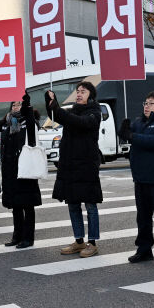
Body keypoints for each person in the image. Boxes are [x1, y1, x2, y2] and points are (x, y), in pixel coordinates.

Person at [0, 92, 42, 249]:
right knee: (16, 205)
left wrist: (26, 103)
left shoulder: (29, 122)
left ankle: (28, 238)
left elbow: (31, 121)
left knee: (27, 205)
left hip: (26, 170)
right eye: (14, 104)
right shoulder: (6, 124)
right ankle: (17, 236)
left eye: (19, 104)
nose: (16, 106)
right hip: (10, 171)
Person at [118, 91, 154, 267]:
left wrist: (133, 136)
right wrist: (124, 130)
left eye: (151, 103)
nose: (147, 106)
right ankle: (144, 250)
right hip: (141, 178)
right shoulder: (139, 122)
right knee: (142, 217)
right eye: (146, 103)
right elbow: (126, 138)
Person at [46, 82, 103, 258]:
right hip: (70, 164)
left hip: (86, 164)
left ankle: (92, 243)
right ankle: (79, 241)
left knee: (90, 205)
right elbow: (58, 116)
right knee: (72, 204)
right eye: (77, 91)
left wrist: (57, 108)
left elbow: (78, 122)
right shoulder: (72, 111)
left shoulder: (94, 113)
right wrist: (50, 103)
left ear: (90, 95)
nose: (78, 94)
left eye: (82, 91)